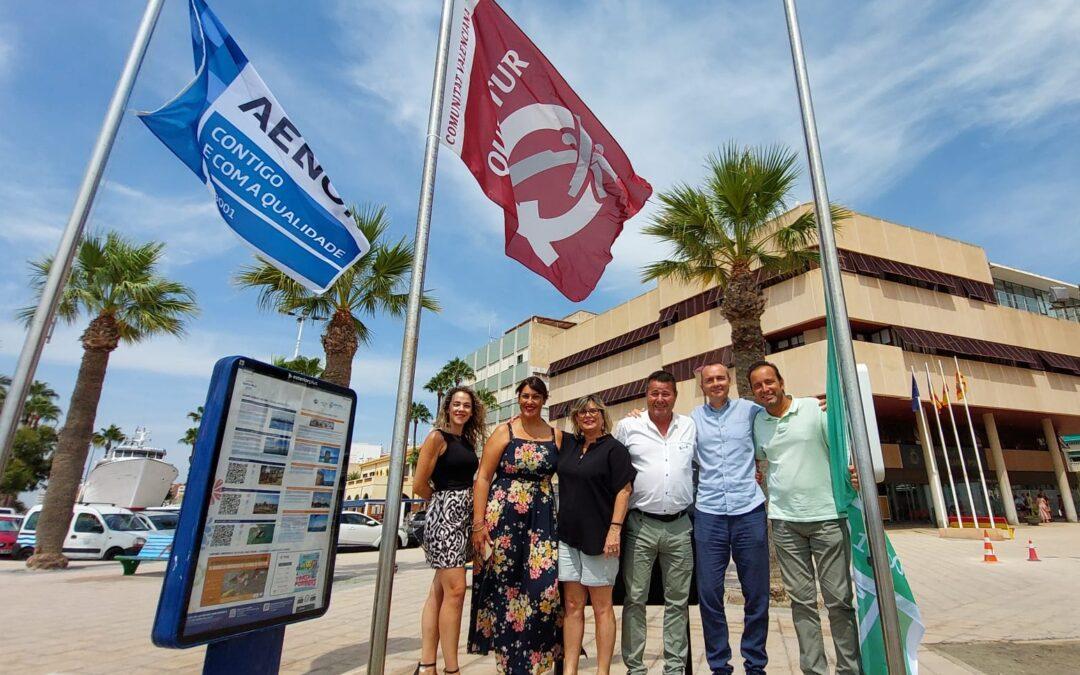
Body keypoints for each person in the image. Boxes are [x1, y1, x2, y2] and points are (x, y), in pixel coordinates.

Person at [749, 361, 859, 675]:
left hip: (827, 518)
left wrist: (853, 471)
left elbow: (842, 449)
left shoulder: (813, 409)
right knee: (803, 603)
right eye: (758, 386)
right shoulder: (759, 424)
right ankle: (814, 670)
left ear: (781, 382)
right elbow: (760, 461)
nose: (765, 389)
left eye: (769, 382)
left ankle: (850, 669)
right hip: (784, 523)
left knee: (839, 601)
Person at [468, 377, 564, 673]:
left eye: (536, 396)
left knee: (544, 588)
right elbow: (483, 477)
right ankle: (509, 661)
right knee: (504, 588)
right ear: (518, 398)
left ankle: (536, 657)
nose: (529, 401)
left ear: (545, 400)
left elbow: (588, 447)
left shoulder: (557, 436)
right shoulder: (504, 431)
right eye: (524, 396)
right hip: (503, 519)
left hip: (542, 521)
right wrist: (478, 524)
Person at [690, 362, 770, 675]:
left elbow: (778, 415)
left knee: (757, 593)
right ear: (702, 386)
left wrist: (811, 405)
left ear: (730, 381)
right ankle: (719, 665)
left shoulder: (751, 411)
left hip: (748, 511)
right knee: (709, 593)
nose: (716, 383)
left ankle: (755, 664)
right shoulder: (692, 419)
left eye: (721, 378)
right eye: (709, 380)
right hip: (709, 514)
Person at [615, 370, 696, 675]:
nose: (659, 399)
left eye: (666, 393)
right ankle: (635, 668)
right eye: (653, 393)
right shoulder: (628, 426)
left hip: (680, 526)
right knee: (634, 599)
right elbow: (610, 464)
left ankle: (674, 668)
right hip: (640, 526)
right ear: (645, 395)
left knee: (678, 601)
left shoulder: (689, 426)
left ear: (675, 396)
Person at [557, 394, 635, 675]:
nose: (588, 416)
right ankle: (570, 669)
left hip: (600, 539)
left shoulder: (615, 449)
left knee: (602, 607)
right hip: (567, 538)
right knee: (572, 604)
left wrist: (615, 529)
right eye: (581, 412)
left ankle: (603, 671)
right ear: (575, 418)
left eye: (593, 411)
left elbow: (624, 491)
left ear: (603, 415)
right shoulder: (569, 445)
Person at [411, 387, 486, 675]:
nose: (461, 409)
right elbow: (419, 485)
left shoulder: (466, 441)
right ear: (447, 407)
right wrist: (444, 503)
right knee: (456, 590)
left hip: (462, 520)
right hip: (444, 519)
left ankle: (427, 663)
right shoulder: (436, 437)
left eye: (466, 405)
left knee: (439, 592)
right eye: (456, 404)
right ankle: (451, 669)